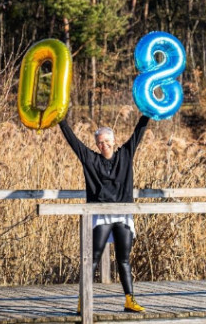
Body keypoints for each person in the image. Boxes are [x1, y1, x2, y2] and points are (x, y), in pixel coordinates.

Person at [59, 114, 150, 313]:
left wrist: (147, 111)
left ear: (113, 141)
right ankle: (83, 301)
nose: (104, 145)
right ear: (97, 145)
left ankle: (129, 300)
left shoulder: (125, 154)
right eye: (100, 143)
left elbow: (139, 132)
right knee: (93, 259)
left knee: (123, 260)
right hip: (101, 215)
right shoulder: (90, 159)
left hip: (123, 214)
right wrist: (61, 120)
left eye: (107, 141)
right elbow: (73, 141)